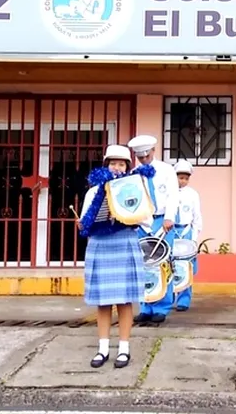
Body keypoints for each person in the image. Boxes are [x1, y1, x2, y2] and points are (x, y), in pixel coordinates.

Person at [77, 144, 147, 369]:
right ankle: (103, 349)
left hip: (124, 241)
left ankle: (124, 349)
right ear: (106, 165)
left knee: (125, 300)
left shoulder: (135, 188)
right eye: (113, 164)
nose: (116, 168)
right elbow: (85, 223)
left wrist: (129, 215)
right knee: (103, 301)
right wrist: (82, 224)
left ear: (127, 167)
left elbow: (145, 217)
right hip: (100, 244)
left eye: (121, 164)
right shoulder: (93, 192)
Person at [128, 135, 180, 324]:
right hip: (142, 222)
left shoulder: (166, 170)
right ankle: (145, 306)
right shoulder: (133, 173)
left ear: (153, 151)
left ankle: (162, 307)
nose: (144, 160)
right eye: (140, 157)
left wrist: (169, 217)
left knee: (162, 263)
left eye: (147, 156)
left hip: (162, 220)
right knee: (143, 265)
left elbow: (173, 195)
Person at [173, 160, 203, 312]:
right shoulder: (169, 192)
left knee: (186, 267)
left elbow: (197, 217)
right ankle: (169, 296)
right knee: (170, 266)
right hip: (171, 231)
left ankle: (184, 299)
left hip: (186, 232)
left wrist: (194, 238)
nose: (183, 181)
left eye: (186, 178)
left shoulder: (192, 194)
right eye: (180, 177)